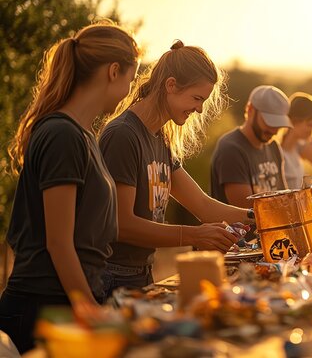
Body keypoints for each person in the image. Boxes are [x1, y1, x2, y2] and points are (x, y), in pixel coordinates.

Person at [1, 22, 140, 353]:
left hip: (62, 301)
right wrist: (89, 311)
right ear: (113, 71)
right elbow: (59, 243)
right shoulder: (62, 136)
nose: (128, 93)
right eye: (130, 82)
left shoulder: (82, 135)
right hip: (42, 307)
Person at [99, 41, 251, 296]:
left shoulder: (160, 139)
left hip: (141, 274)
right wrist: (194, 236)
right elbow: (121, 224)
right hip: (110, 277)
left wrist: (263, 216)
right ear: (171, 85)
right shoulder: (123, 136)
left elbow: (202, 205)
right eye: (196, 98)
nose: (199, 108)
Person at [210, 85, 292, 208]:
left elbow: (284, 196)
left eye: (279, 124)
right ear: (250, 110)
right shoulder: (231, 149)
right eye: (270, 122)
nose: (275, 131)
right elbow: (247, 210)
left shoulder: (273, 146)